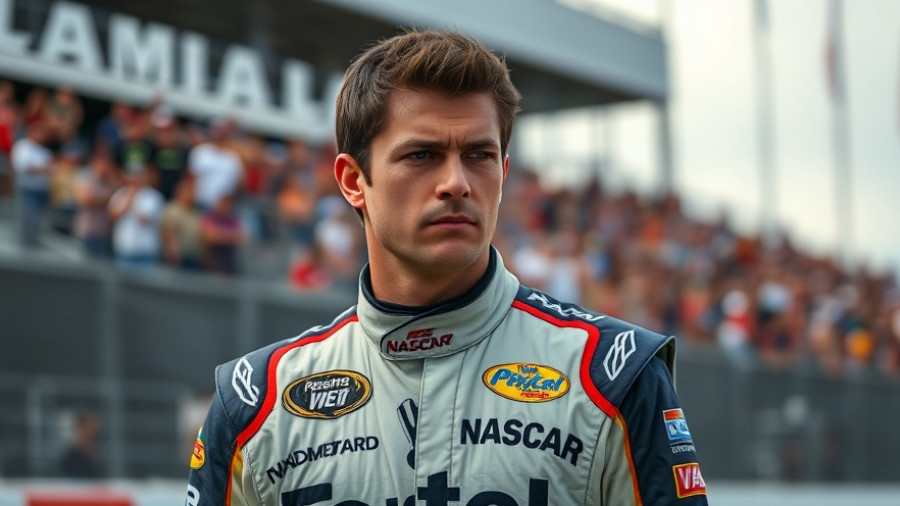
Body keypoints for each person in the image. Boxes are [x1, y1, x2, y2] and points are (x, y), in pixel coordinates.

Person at [186, 30, 707, 505]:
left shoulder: (615, 375)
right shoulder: (253, 404)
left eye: (479, 155)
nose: (456, 182)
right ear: (352, 181)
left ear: (503, 174)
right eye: (422, 155)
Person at [59, 411, 104, 479]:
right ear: (80, 429)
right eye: (88, 429)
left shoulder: (97, 454)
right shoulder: (70, 457)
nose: (91, 433)